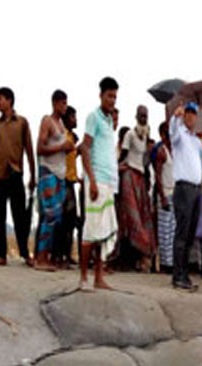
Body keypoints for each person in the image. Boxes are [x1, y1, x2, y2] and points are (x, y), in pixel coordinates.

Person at [78, 76, 120, 290]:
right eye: (109, 96)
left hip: (108, 181)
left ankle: (99, 277)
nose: (112, 100)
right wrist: (91, 180)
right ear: (101, 95)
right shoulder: (93, 117)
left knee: (104, 231)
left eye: (115, 96)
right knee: (91, 230)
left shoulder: (109, 120)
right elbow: (84, 148)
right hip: (96, 180)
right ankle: (84, 277)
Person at [0, 86, 35, 266]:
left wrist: (33, 176)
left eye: (1, 99)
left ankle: (25, 254)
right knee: (0, 215)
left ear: (9, 101)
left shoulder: (22, 123)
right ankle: (2, 255)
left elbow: (29, 149)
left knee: (20, 216)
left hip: (16, 173)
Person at [168, 102, 202, 291]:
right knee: (182, 232)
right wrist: (175, 117)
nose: (191, 117)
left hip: (195, 188)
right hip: (183, 188)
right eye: (189, 113)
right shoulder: (180, 135)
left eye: (194, 114)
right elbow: (173, 135)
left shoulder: (195, 140)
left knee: (191, 233)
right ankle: (177, 276)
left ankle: (184, 274)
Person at [35, 89, 72, 271]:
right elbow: (40, 148)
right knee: (50, 215)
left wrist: (68, 148)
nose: (65, 107)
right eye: (62, 103)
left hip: (60, 173)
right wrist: (61, 147)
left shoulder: (61, 126)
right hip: (48, 171)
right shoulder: (47, 122)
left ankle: (47, 255)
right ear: (55, 103)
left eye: (66, 103)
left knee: (57, 217)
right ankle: (40, 257)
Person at [116, 104, 155, 271]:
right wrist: (116, 168)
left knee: (142, 215)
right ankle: (124, 257)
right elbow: (123, 155)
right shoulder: (130, 135)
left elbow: (145, 161)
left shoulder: (145, 136)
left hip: (140, 177)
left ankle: (140, 257)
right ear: (136, 116)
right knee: (131, 216)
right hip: (129, 175)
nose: (143, 118)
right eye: (141, 115)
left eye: (145, 116)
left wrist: (147, 180)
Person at [53, 105, 80, 267]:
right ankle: (59, 255)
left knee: (70, 220)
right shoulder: (63, 136)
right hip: (64, 181)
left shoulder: (72, 137)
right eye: (73, 117)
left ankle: (67, 254)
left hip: (72, 180)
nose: (75, 120)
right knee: (63, 220)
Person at [154, 120, 176, 273]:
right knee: (164, 231)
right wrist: (161, 196)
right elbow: (158, 175)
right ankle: (164, 264)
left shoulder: (174, 150)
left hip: (175, 193)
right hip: (165, 193)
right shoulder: (162, 151)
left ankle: (171, 262)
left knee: (173, 230)